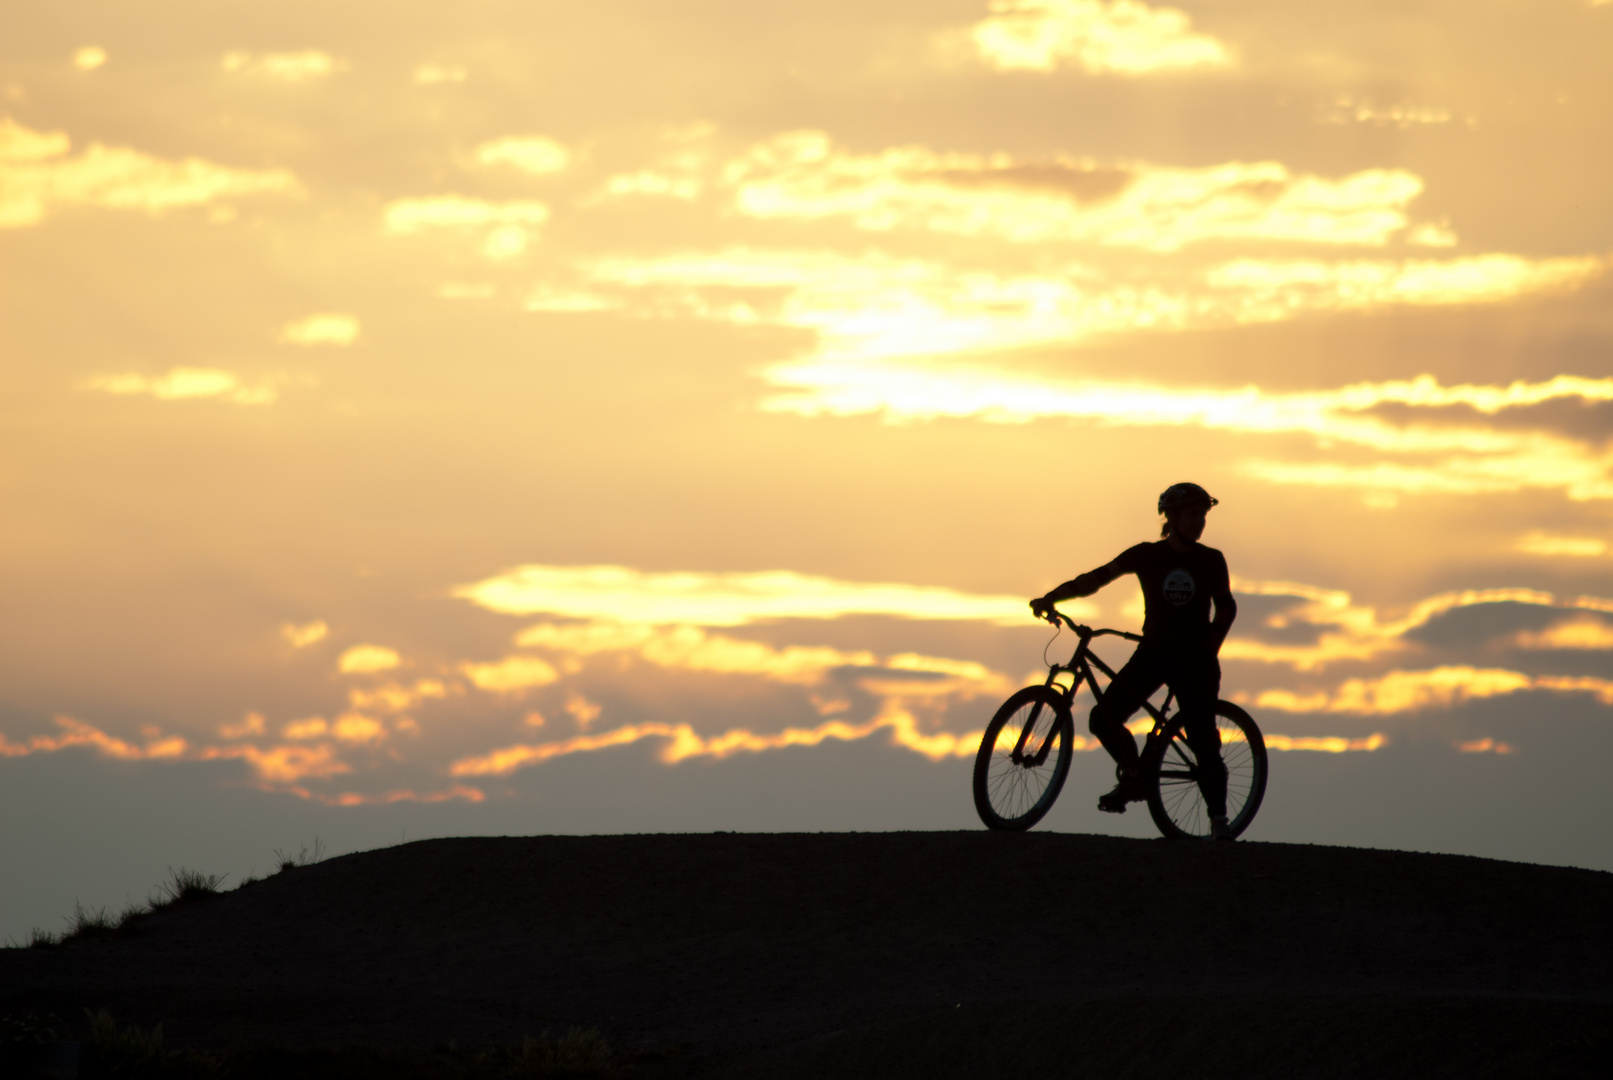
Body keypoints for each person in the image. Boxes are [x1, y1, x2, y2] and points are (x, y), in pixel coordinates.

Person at [1030, 482, 1238, 840]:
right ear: (1171, 518)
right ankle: (1135, 775)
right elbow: (1096, 579)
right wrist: (1053, 597)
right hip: (1154, 653)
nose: (1200, 522)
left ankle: (1218, 820)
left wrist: (1211, 648)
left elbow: (1226, 607)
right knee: (1103, 718)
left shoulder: (1211, 559)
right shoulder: (1146, 555)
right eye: (1193, 515)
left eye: (1203, 515)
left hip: (1196, 661)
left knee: (1202, 739)